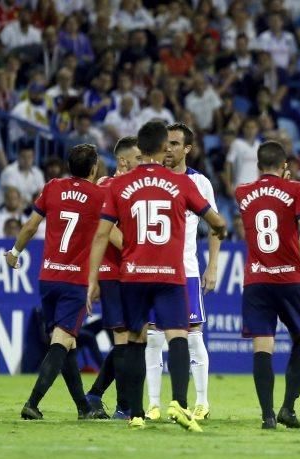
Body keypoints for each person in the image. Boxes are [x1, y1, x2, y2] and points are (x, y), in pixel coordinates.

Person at [87, 120, 227, 431]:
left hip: (135, 272)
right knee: (177, 334)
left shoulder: (120, 185)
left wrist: (92, 278)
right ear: (164, 147)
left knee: (138, 338)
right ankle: (174, 401)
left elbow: (101, 235)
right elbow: (218, 222)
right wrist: (220, 229)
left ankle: (136, 411)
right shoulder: (181, 184)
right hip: (171, 271)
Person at [7, 144, 107, 421]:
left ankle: (83, 408)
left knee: (67, 345)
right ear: (93, 168)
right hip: (74, 280)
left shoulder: (52, 187)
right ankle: (33, 403)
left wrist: (14, 253)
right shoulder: (99, 195)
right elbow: (108, 234)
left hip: (48, 277)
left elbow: (29, 226)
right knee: (61, 342)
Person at [236, 141, 300, 429]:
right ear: (285, 165)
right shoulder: (296, 189)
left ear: (258, 166)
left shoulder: (242, 192)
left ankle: (267, 415)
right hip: (289, 277)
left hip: (256, 279)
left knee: (263, 344)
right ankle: (288, 407)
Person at [144, 123, 220, 422]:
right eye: (166, 143)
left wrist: (212, 266)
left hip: (185, 269)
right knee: (152, 338)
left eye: (175, 144)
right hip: (151, 270)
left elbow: (216, 225)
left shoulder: (199, 183)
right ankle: (153, 404)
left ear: (187, 148)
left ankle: (201, 402)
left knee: (192, 336)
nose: (169, 149)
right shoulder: (151, 180)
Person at [84, 136, 142, 420]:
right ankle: (124, 407)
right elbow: (109, 232)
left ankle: (95, 395)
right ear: (123, 161)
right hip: (114, 272)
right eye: (139, 159)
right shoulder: (107, 186)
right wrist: (141, 250)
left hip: (130, 271)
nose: (143, 163)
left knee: (131, 339)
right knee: (122, 339)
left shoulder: (133, 187)